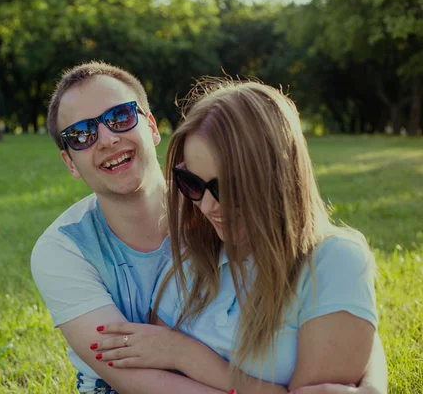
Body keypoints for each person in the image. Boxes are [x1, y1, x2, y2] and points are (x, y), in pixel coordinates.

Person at [31, 62, 387, 394]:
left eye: (120, 116)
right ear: (70, 162)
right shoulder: (66, 250)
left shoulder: (207, 228)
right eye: (81, 134)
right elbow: (132, 375)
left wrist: (371, 381)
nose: (107, 139)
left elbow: (340, 302)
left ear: (152, 127)